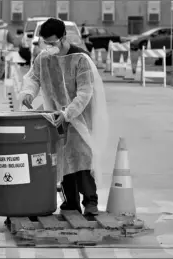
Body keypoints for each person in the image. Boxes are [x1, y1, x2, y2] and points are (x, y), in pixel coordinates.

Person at [19, 18, 108, 216]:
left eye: (52, 43)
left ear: (63, 37)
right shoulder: (44, 58)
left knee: (82, 157)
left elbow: (85, 92)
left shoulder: (81, 58)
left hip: (79, 116)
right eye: (46, 43)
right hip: (54, 114)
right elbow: (33, 77)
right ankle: (70, 203)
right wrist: (28, 93)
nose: (49, 47)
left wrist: (68, 113)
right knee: (62, 159)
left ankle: (90, 202)